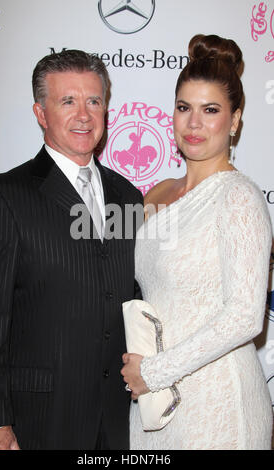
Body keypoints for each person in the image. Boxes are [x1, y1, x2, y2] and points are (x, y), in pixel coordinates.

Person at [0, 50, 143, 450]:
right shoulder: (3, 197)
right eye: (68, 101)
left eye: (94, 101)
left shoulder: (128, 196)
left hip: (118, 421)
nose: (84, 115)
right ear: (40, 113)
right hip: (36, 422)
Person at [121, 34, 273, 450]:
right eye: (184, 108)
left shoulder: (238, 196)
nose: (193, 124)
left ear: (235, 120)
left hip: (218, 402)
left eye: (211, 110)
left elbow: (245, 316)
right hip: (154, 401)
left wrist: (154, 372)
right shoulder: (156, 194)